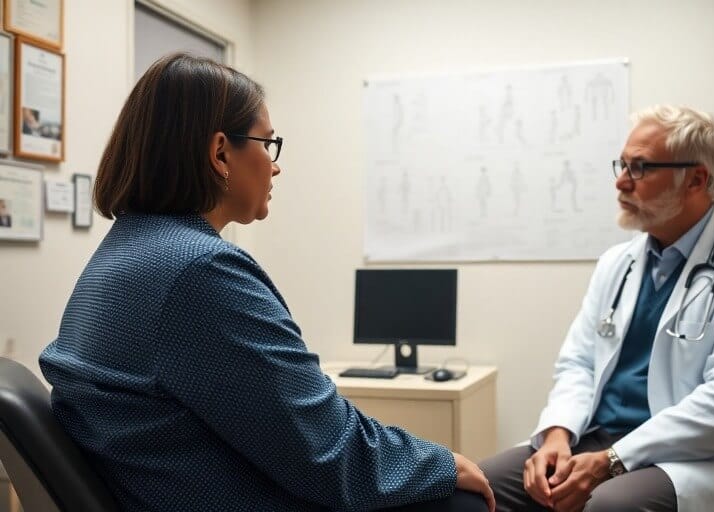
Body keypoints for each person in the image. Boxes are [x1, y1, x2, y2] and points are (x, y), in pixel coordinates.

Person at [39, 53, 494, 512]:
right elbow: (327, 450)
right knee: (465, 502)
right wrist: (442, 463)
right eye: (267, 144)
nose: (275, 166)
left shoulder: (119, 255)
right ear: (221, 153)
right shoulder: (199, 271)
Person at [481, 105, 714, 511]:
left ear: (696, 179)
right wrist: (557, 435)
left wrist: (611, 461)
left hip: (701, 455)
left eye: (640, 168)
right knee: (477, 487)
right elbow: (578, 364)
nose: (621, 181)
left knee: (609, 505)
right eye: (623, 165)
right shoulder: (618, 263)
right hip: (600, 439)